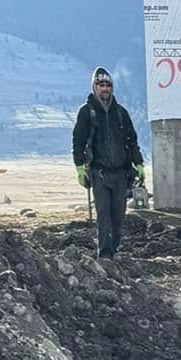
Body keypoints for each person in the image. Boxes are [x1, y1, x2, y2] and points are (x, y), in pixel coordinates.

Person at [73, 68, 145, 260]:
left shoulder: (121, 113)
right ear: (94, 87)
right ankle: (105, 255)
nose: (105, 88)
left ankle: (113, 248)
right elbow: (78, 141)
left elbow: (132, 140)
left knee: (118, 217)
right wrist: (80, 168)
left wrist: (139, 163)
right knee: (103, 215)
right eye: (101, 84)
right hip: (99, 173)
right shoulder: (87, 113)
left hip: (121, 173)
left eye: (108, 85)